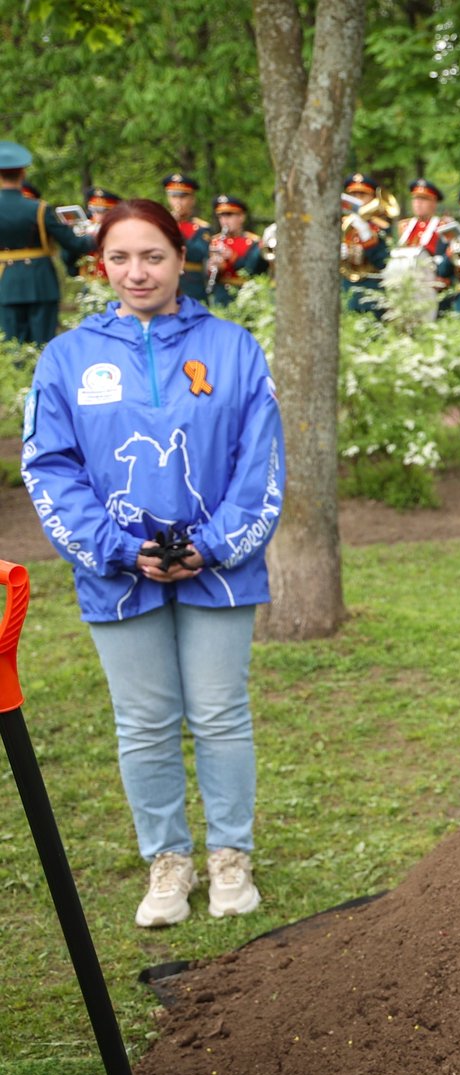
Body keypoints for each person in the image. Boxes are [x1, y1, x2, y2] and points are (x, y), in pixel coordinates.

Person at [19, 198, 285, 928]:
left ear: (181, 259)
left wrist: (214, 545)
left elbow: (258, 462)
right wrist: (116, 548)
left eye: (154, 256)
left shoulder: (233, 348)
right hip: (115, 573)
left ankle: (231, 857)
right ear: (100, 263)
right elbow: (50, 467)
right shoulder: (68, 357)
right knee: (143, 722)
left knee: (221, 714)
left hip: (220, 570)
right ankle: (167, 862)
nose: (137, 272)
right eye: (120, 258)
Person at [0, 141, 93, 344]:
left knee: (13, 346)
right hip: (40, 281)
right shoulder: (39, 209)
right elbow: (75, 244)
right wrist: (98, 235)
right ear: (23, 174)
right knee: (44, 345)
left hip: (6, 282)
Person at [339, 171, 392, 314]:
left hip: (371, 287)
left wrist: (367, 237)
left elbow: (383, 262)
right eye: (353, 195)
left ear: (372, 198)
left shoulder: (381, 227)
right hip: (344, 285)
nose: (358, 199)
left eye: (362, 195)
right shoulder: (339, 224)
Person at [203, 195, 267, 308]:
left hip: (244, 297)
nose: (224, 221)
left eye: (229, 215)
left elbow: (252, 270)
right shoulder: (215, 241)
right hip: (220, 296)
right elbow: (205, 273)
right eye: (221, 216)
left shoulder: (253, 242)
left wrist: (232, 257)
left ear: (241, 217)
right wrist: (212, 267)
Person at [161, 173, 212, 304]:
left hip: (191, 288)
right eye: (174, 197)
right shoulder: (160, 224)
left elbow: (198, 254)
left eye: (183, 197)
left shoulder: (201, 228)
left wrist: (176, 230)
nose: (178, 201)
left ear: (192, 199)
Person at [66, 187, 121, 282]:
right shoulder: (85, 227)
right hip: (88, 278)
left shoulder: (121, 228)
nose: (98, 215)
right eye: (94, 210)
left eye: (104, 211)